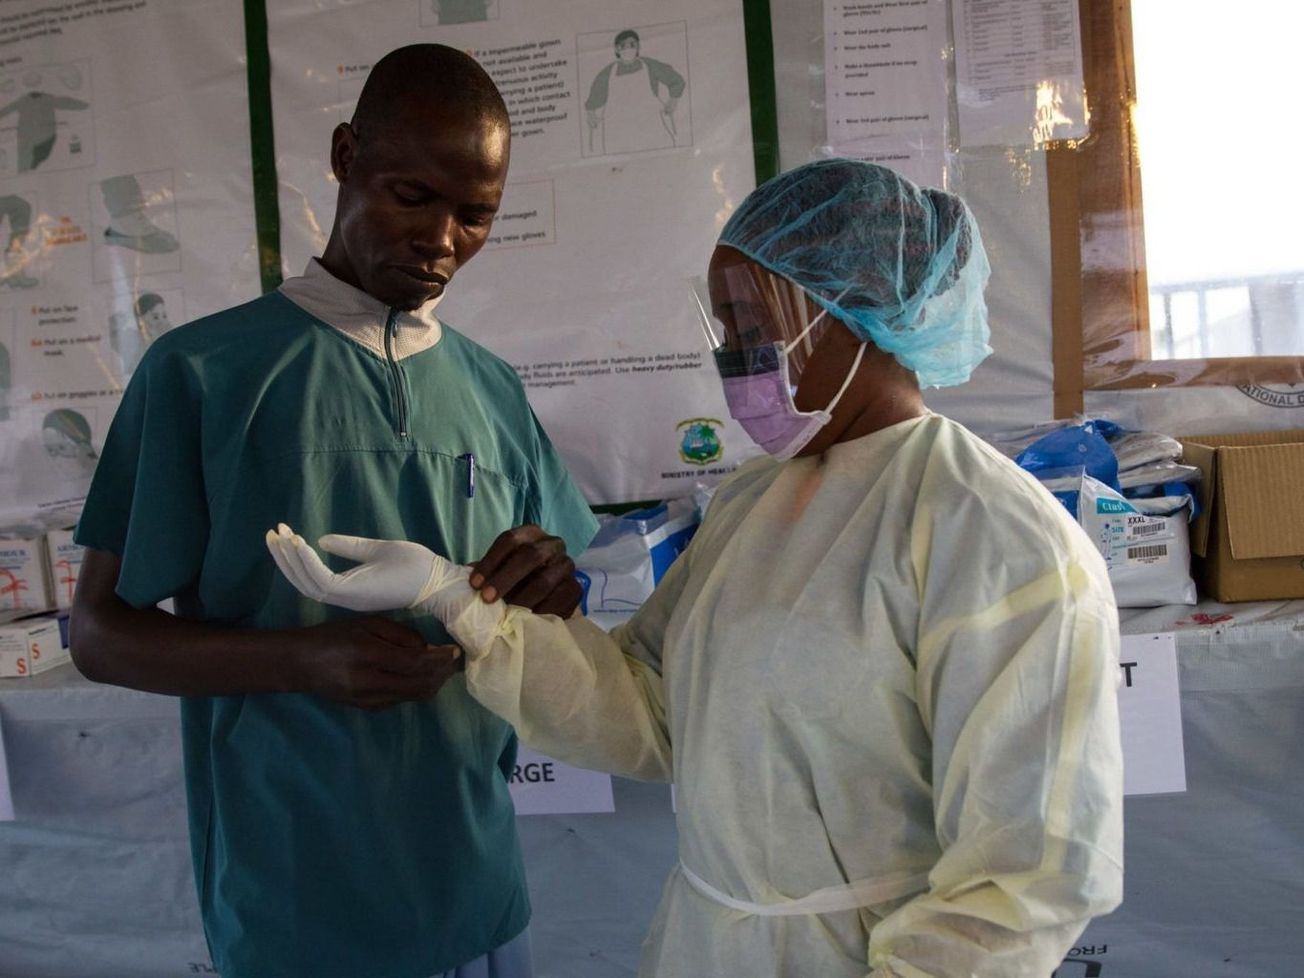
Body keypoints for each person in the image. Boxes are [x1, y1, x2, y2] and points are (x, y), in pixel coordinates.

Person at [270, 159, 1125, 978]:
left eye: (755, 328)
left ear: (849, 311)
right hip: (709, 944)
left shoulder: (993, 537)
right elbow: (650, 710)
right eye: (726, 332)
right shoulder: (755, 501)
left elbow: (1027, 875)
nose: (734, 358)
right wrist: (456, 597)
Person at [70, 44, 597, 978]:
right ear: (346, 155)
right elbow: (100, 635)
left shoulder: (492, 392)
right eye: (412, 196)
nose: (440, 239)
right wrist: (301, 659)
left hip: (474, 876)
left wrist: (552, 587)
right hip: (295, 892)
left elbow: (545, 618)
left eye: (475, 215)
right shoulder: (204, 374)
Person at [584, 29, 685, 155]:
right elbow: (594, 98)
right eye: (623, 46)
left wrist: (673, 100)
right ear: (616, 49)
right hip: (618, 133)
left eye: (632, 45)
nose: (628, 49)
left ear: (638, 47)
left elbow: (677, 80)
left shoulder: (649, 65)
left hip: (651, 127)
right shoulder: (607, 73)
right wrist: (591, 114)